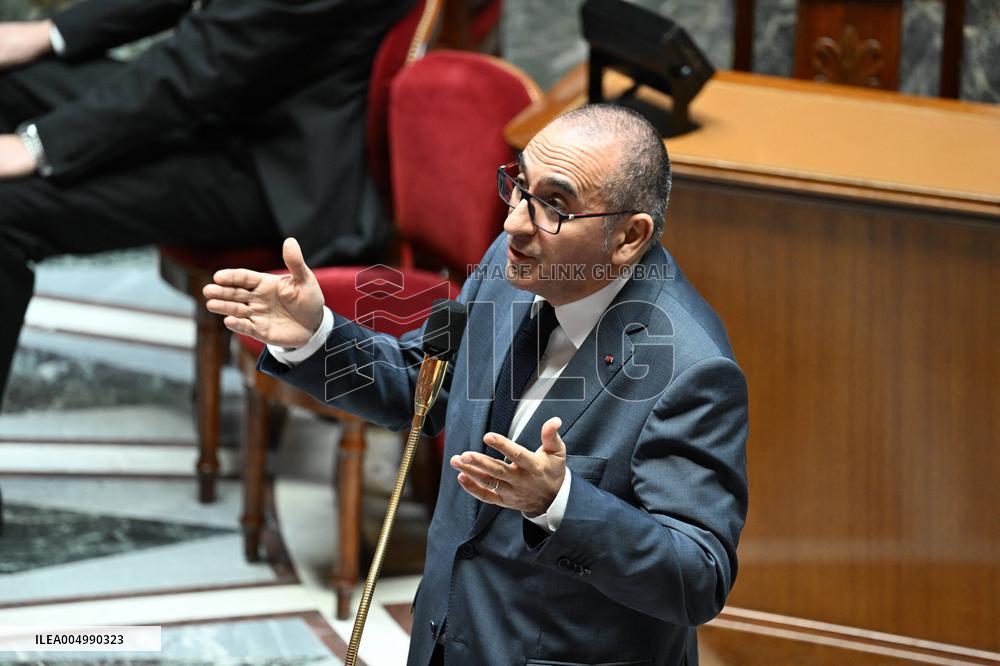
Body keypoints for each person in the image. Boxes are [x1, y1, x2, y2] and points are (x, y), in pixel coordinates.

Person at [204, 104, 749, 666]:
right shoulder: (511, 264)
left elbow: (697, 578)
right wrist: (316, 338)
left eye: (554, 207)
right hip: (444, 638)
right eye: (518, 185)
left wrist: (558, 504)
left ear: (629, 237)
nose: (514, 222)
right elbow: (429, 386)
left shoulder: (691, 368)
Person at [0, 0, 416, 405]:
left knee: (7, 210)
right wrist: (48, 33)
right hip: (225, 107)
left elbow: (206, 59)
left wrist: (36, 145)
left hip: (274, 165)